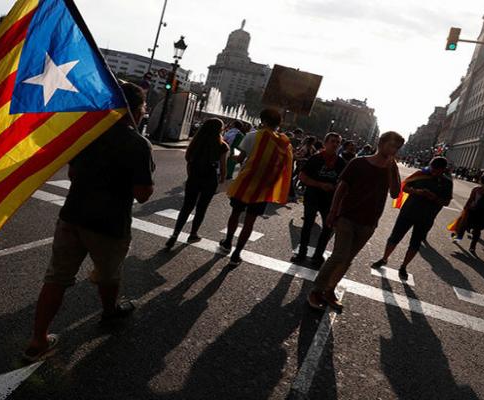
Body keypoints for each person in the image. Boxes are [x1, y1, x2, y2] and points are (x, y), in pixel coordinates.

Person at [23, 82, 155, 362]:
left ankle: (38, 338)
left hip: (72, 215)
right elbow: (143, 195)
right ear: (132, 110)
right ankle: (109, 311)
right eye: (143, 107)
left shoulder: (87, 133)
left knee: (56, 277)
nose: (144, 112)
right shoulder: (138, 145)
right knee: (109, 274)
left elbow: (73, 173)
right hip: (109, 224)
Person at [307, 131, 403, 310]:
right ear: (380, 143)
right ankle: (316, 290)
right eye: (391, 145)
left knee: (347, 259)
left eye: (397, 148)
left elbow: (396, 193)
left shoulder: (391, 168)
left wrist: (392, 168)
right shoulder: (359, 162)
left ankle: (330, 290)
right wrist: (333, 211)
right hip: (347, 216)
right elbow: (342, 187)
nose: (393, 150)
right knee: (339, 255)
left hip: (369, 222)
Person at [220, 108, 293, 267]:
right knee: (250, 221)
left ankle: (227, 241)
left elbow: (241, 158)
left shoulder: (252, 136)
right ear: (278, 124)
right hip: (263, 186)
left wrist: (234, 157)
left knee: (235, 213)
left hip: (245, 182)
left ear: (263, 120)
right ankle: (237, 254)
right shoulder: (284, 143)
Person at [371, 157, 453, 281]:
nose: (433, 172)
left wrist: (434, 197)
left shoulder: (447, 182)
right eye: (432, 168)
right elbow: (404, 187)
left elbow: (446, 202)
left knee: (415, 243)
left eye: (437, 171)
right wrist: (416, 191)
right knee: (395, 236)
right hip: (408, 212)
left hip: (426, 217)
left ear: (443, 170)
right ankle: (384, 258)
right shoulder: (420, 174)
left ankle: (403, 267)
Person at [166, 119, 229, 249]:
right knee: (201, 208)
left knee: (186, 207)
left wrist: (190, 174)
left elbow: (188, 159)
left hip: (194, 176)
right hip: (210, 178)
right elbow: (223, 167)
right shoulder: (222, 146)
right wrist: (222, 179)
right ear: (220, 130)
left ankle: (175, 234)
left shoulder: (196, 142)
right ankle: (193, 233)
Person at [292, 132, 346, 266]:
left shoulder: (341, 163)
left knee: (328, 228)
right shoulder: (316, 159)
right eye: (332, 141)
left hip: (329, 200)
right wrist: (320, 184)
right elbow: (302, 177)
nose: (335, 144)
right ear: (325, 143)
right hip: (312, 197)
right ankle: (301, 253)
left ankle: (318, 255)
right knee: (308, 225)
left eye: (337, 142)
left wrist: (337, 189)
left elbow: (345, 182)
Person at [454, 173, 484, 255]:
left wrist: (465, 208)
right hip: (483, 213)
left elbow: (471, 199)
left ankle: (458, 239)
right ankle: (472, 247)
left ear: (480, 180)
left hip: (473, 210)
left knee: (464, 225)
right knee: (477, 230)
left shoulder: (476, 189)